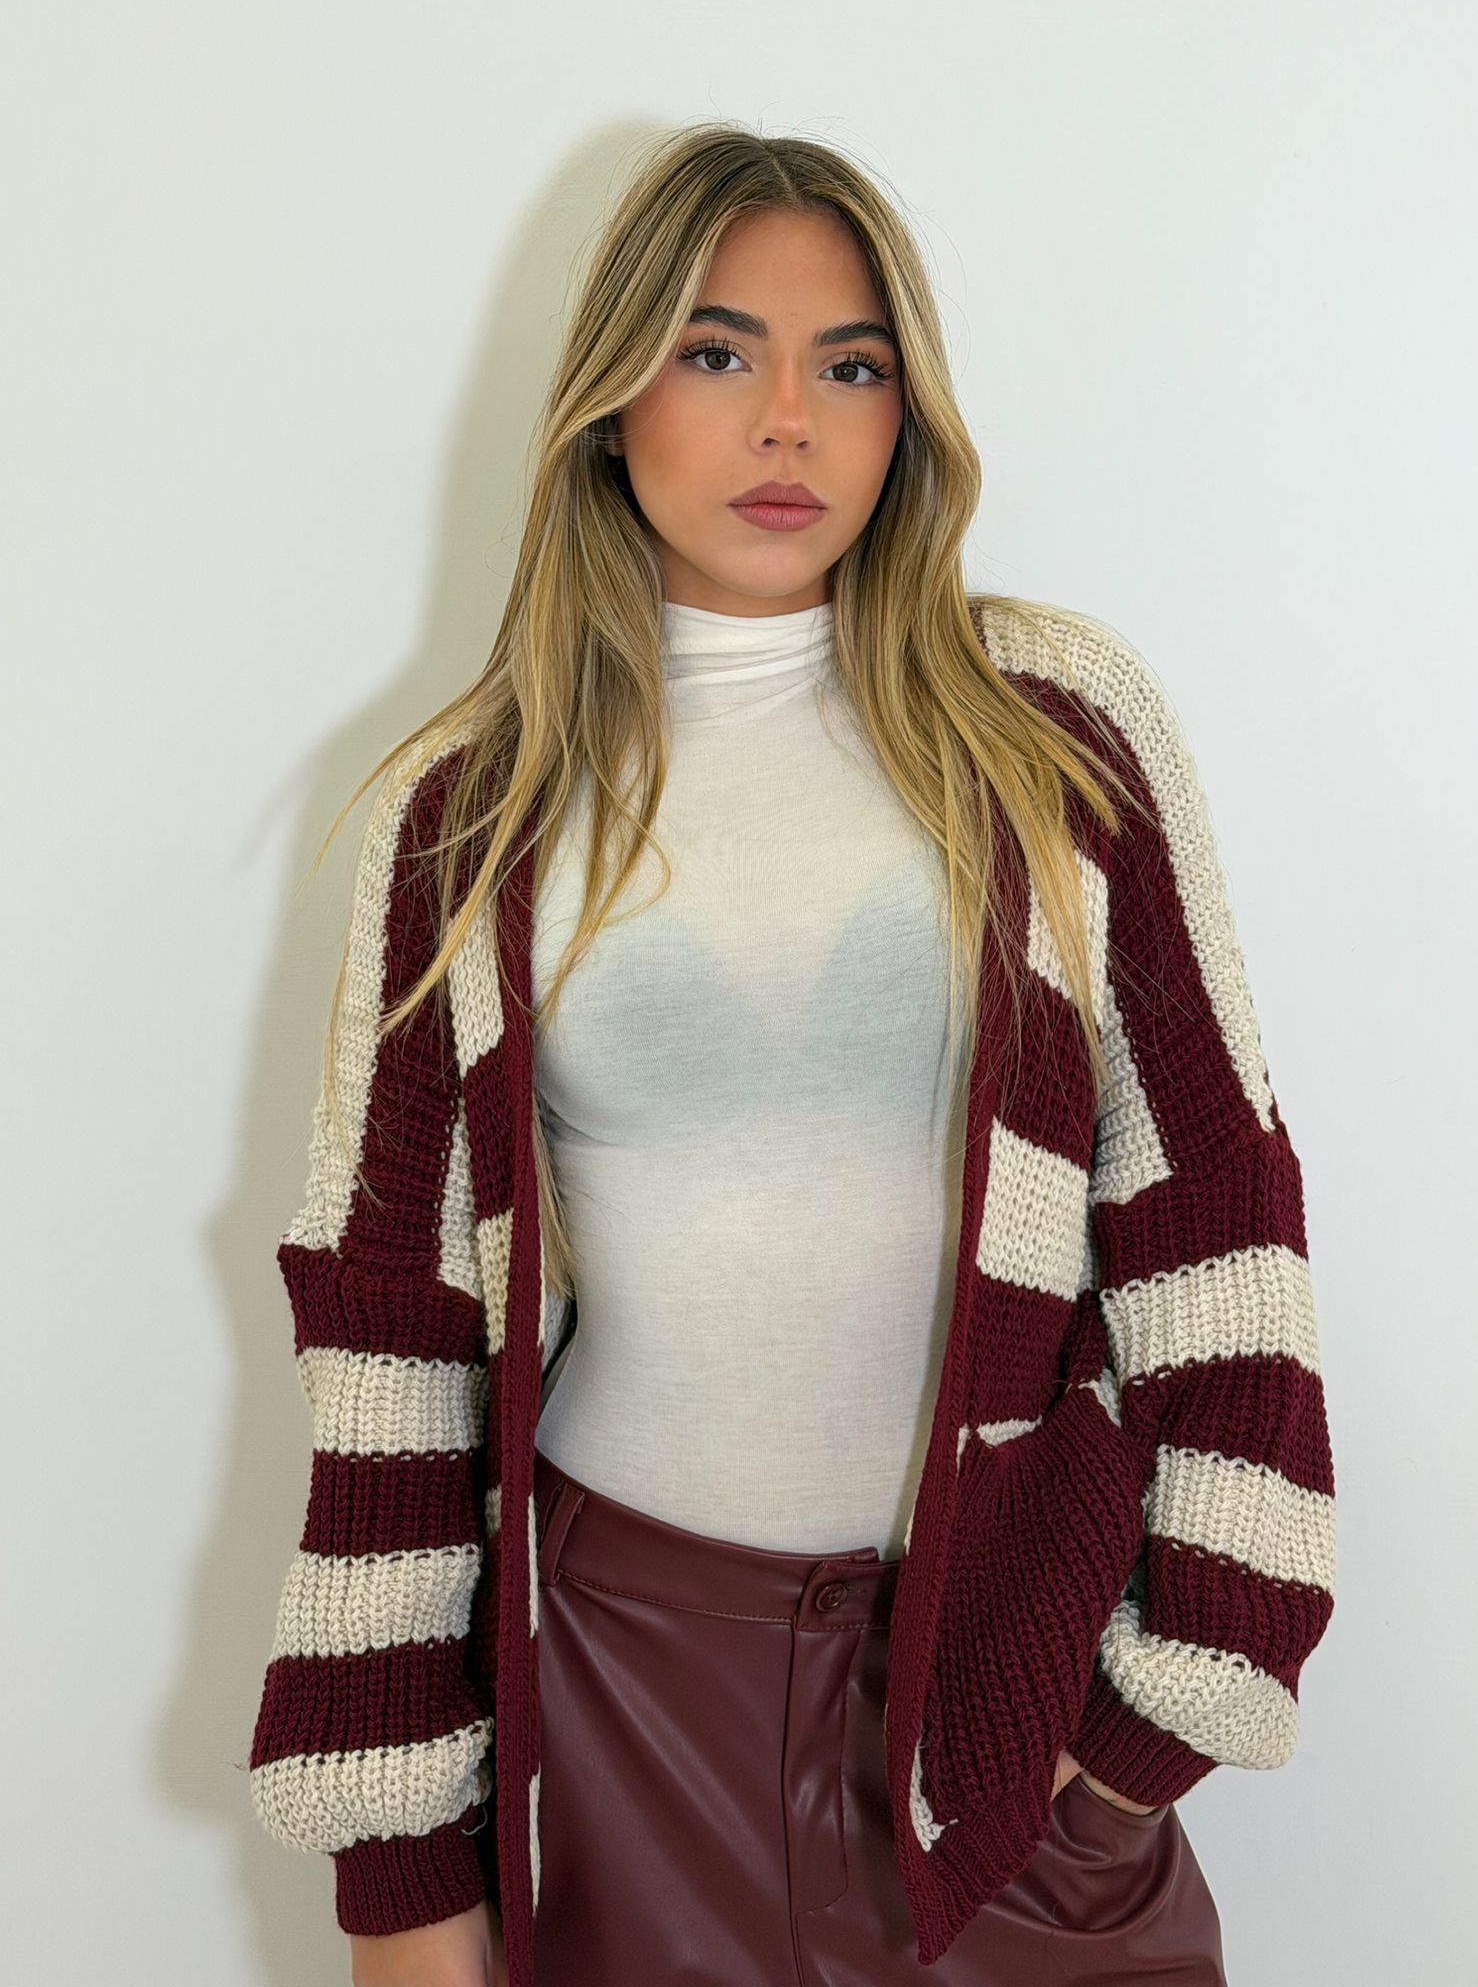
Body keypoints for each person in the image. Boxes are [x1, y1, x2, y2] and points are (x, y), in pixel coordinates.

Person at [245, 123, 1337, 1987]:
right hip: (623, 1688)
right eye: (716, 351)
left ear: (909, 416)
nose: (788, 425)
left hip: (1004, 1688)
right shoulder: (469, 810)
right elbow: (394, 1344)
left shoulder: (1054, 732)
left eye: (851, 368)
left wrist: (1143, 1737)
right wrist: (402, 1885)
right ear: (610, 399)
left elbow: (1211, 1214)